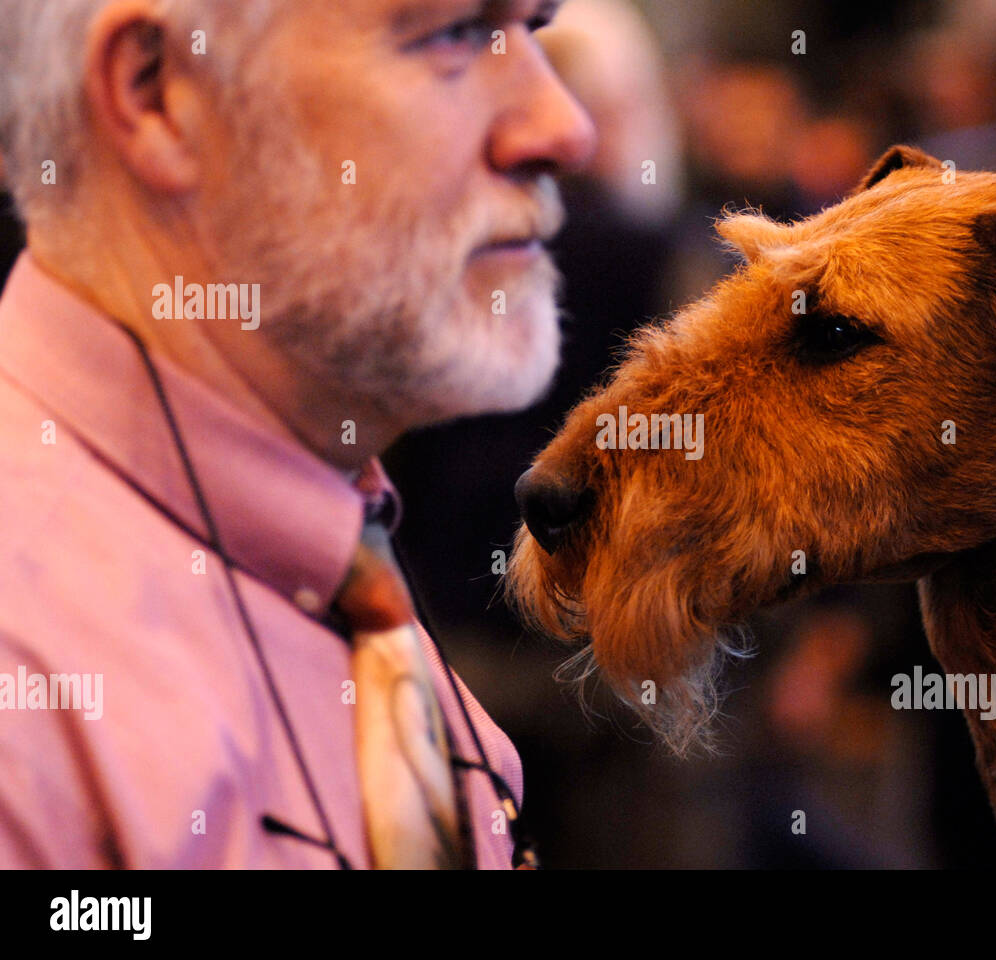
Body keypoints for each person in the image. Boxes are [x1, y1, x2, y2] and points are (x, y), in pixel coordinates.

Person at [0, 0, 595, 868]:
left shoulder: (339, 567)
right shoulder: (31, 695)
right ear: (156, 92)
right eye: (456, 34)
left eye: (532, 30)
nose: (563, 128)